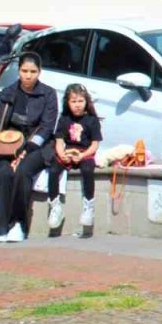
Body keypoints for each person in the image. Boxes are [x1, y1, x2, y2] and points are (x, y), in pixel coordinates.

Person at [0, 52, 58, 243]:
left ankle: (18, 223)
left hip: (38, 146)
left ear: (39, 72)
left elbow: (47, 127)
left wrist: (25, 150)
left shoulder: (48, 94)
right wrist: (10, 150)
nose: (28, 76)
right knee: (4, 173)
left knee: (22, 171)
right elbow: (0, 125)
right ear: (18, 71)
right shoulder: (8, 93)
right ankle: (1, 227)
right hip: (9, 144)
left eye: (33, 71)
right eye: (24, 71)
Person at [46, 84, 101, 231]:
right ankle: (55, 206)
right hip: (68, 151)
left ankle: (89, 205)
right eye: (73, 101)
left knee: (88, 171)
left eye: (80, 101)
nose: (77, 105)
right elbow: (59, 142)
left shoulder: (92, 120)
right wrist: (62, 154)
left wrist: (83, 155)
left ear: (86, 102)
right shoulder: (64, 119)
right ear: (67, 103)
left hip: (85, 152)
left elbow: (95, 144)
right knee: (53, 171)